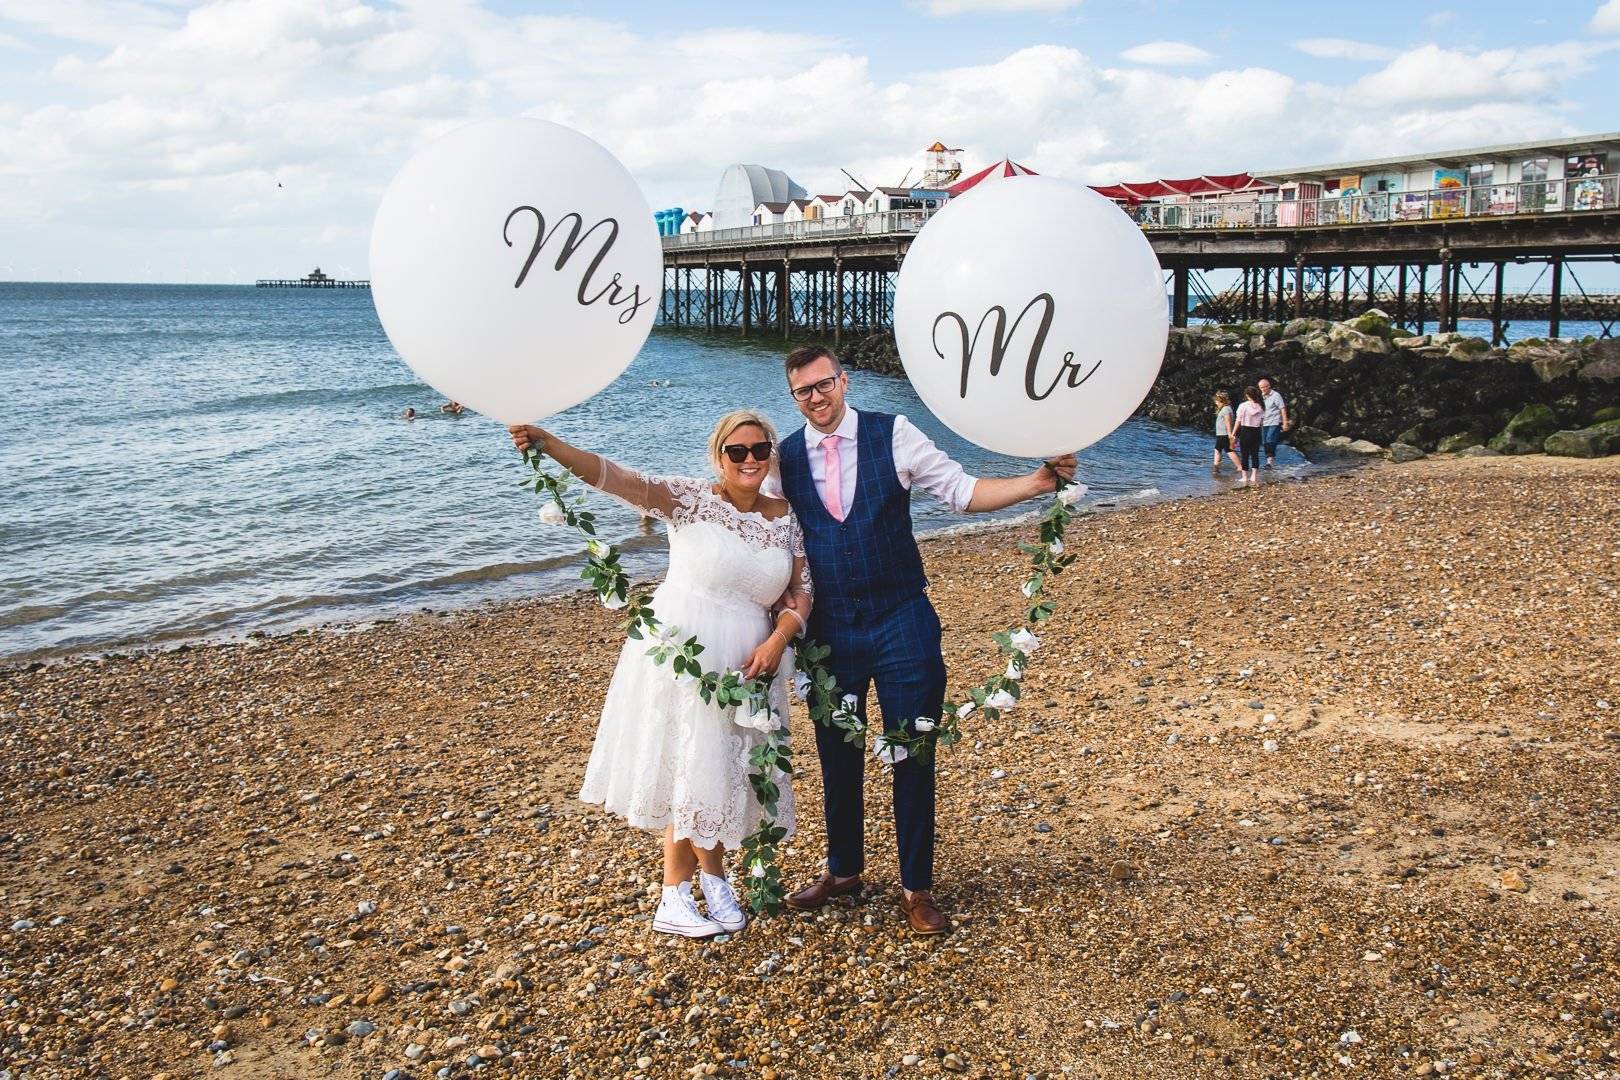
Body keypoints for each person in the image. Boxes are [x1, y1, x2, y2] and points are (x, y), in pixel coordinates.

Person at [765, 346, 1077, 935]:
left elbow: (961, 493)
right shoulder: (783, 457)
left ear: (843, 380)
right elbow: (756, 515)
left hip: (902, 617)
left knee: (912, 750)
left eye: (824, 384)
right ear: (793, 396)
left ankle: (917, 887)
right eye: (803, 391)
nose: (816, 397)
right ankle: (843, 869)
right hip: (831, 630)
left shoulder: (895, 434)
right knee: (837, 754)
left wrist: (1038, 481)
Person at [508, 412, 812, 940]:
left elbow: (802, 591)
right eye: (735, 452)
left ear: (771, 455)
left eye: (758, 450)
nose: (748, 460)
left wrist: (777, 640)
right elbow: (618, 479)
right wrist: (552, 445)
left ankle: (707, 883)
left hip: (751, 657)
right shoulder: (689, 499)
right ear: (718, 456)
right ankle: (685, 892)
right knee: (691, 765)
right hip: (685, 652)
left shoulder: (785, 516)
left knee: (717, 768)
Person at [1257, 378, 1290, 468]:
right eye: (1261, 387)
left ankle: (1270, 461)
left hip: (1274, 422)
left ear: (1269, 386)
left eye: (1264, 387)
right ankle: (1269, 460)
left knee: (1270, 439)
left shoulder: (1276, 395)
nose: (1263, 389)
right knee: (1265, 442)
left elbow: (1282, 409)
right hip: (1264, 422)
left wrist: (1285, 422)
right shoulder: (1261, 396)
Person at [1235, 385, 1265, 482]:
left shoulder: (1243, 406)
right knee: (1255, 454)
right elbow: (1262, 422)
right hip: (1256, 432)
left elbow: (1238, 421)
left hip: (1245, 431)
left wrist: (1233, 432)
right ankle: (1254, 476)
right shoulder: (1261, 406)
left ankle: (1244, 477)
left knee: (1245, 455)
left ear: (1247, 395)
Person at [1211, 391, 1241, 474]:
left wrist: (1230, 435)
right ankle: (1216, 467)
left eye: (1217, 401)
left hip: (1224, 434)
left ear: (1222, 401)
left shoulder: (1226, 409)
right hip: (1220, 434)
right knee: (1217, 449)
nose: (1216, 403)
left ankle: (1240, 466)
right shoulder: (1224, 409)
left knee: (1229, 450)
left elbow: (1228, 423)